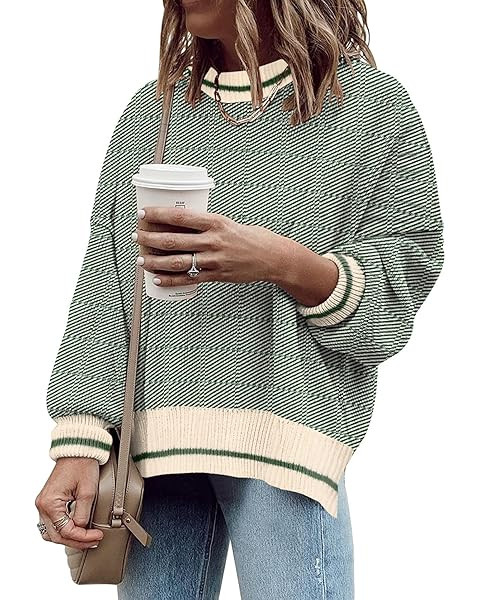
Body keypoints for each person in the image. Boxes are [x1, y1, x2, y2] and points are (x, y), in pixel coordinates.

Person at [34, 1, 445, 598]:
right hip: (151, 452)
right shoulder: (153, 110)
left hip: (288, 438)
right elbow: (106, 286)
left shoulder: (370, 107)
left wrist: (282, 262)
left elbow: (397, 298)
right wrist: (78, 441)